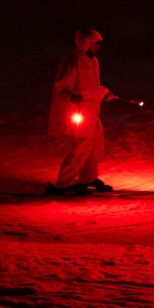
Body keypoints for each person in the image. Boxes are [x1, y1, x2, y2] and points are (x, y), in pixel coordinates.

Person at [46, 28, 115, 196]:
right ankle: (65, 182)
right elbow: (61, 88)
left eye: (99, 44)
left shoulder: (93, 61)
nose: (98, 47)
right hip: (80, 113)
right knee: (81, 147)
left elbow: (90, 88)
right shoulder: (72, 61)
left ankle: (88, 178)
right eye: (95, 44)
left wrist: (103, 92)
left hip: (93, 112)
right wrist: (71, 96)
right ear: (86, 43)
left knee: (93, 146)